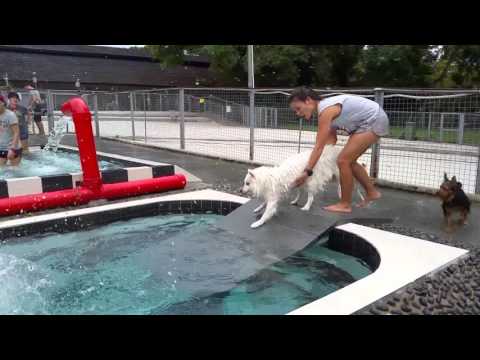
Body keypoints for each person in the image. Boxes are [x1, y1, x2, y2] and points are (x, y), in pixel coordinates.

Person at [289, 87, 389, 213]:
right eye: (295, 111)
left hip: (374, 120)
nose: (298, 114)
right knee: (348, 161)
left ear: (308, 100)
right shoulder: (326, 110)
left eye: (298, 108)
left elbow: (319, 146)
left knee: (343, 161)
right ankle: (372, 193)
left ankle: (345, 204)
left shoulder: (325, 111)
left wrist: (307, 171)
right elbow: (331, 141)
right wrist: (319, 159)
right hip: (371, 121)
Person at [0, 95, 22, 166]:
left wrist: (12, 149)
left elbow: (16, 132)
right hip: (1, 147)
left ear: (3, 103)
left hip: (13, 147)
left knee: (15, 171)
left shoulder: (10, 115)